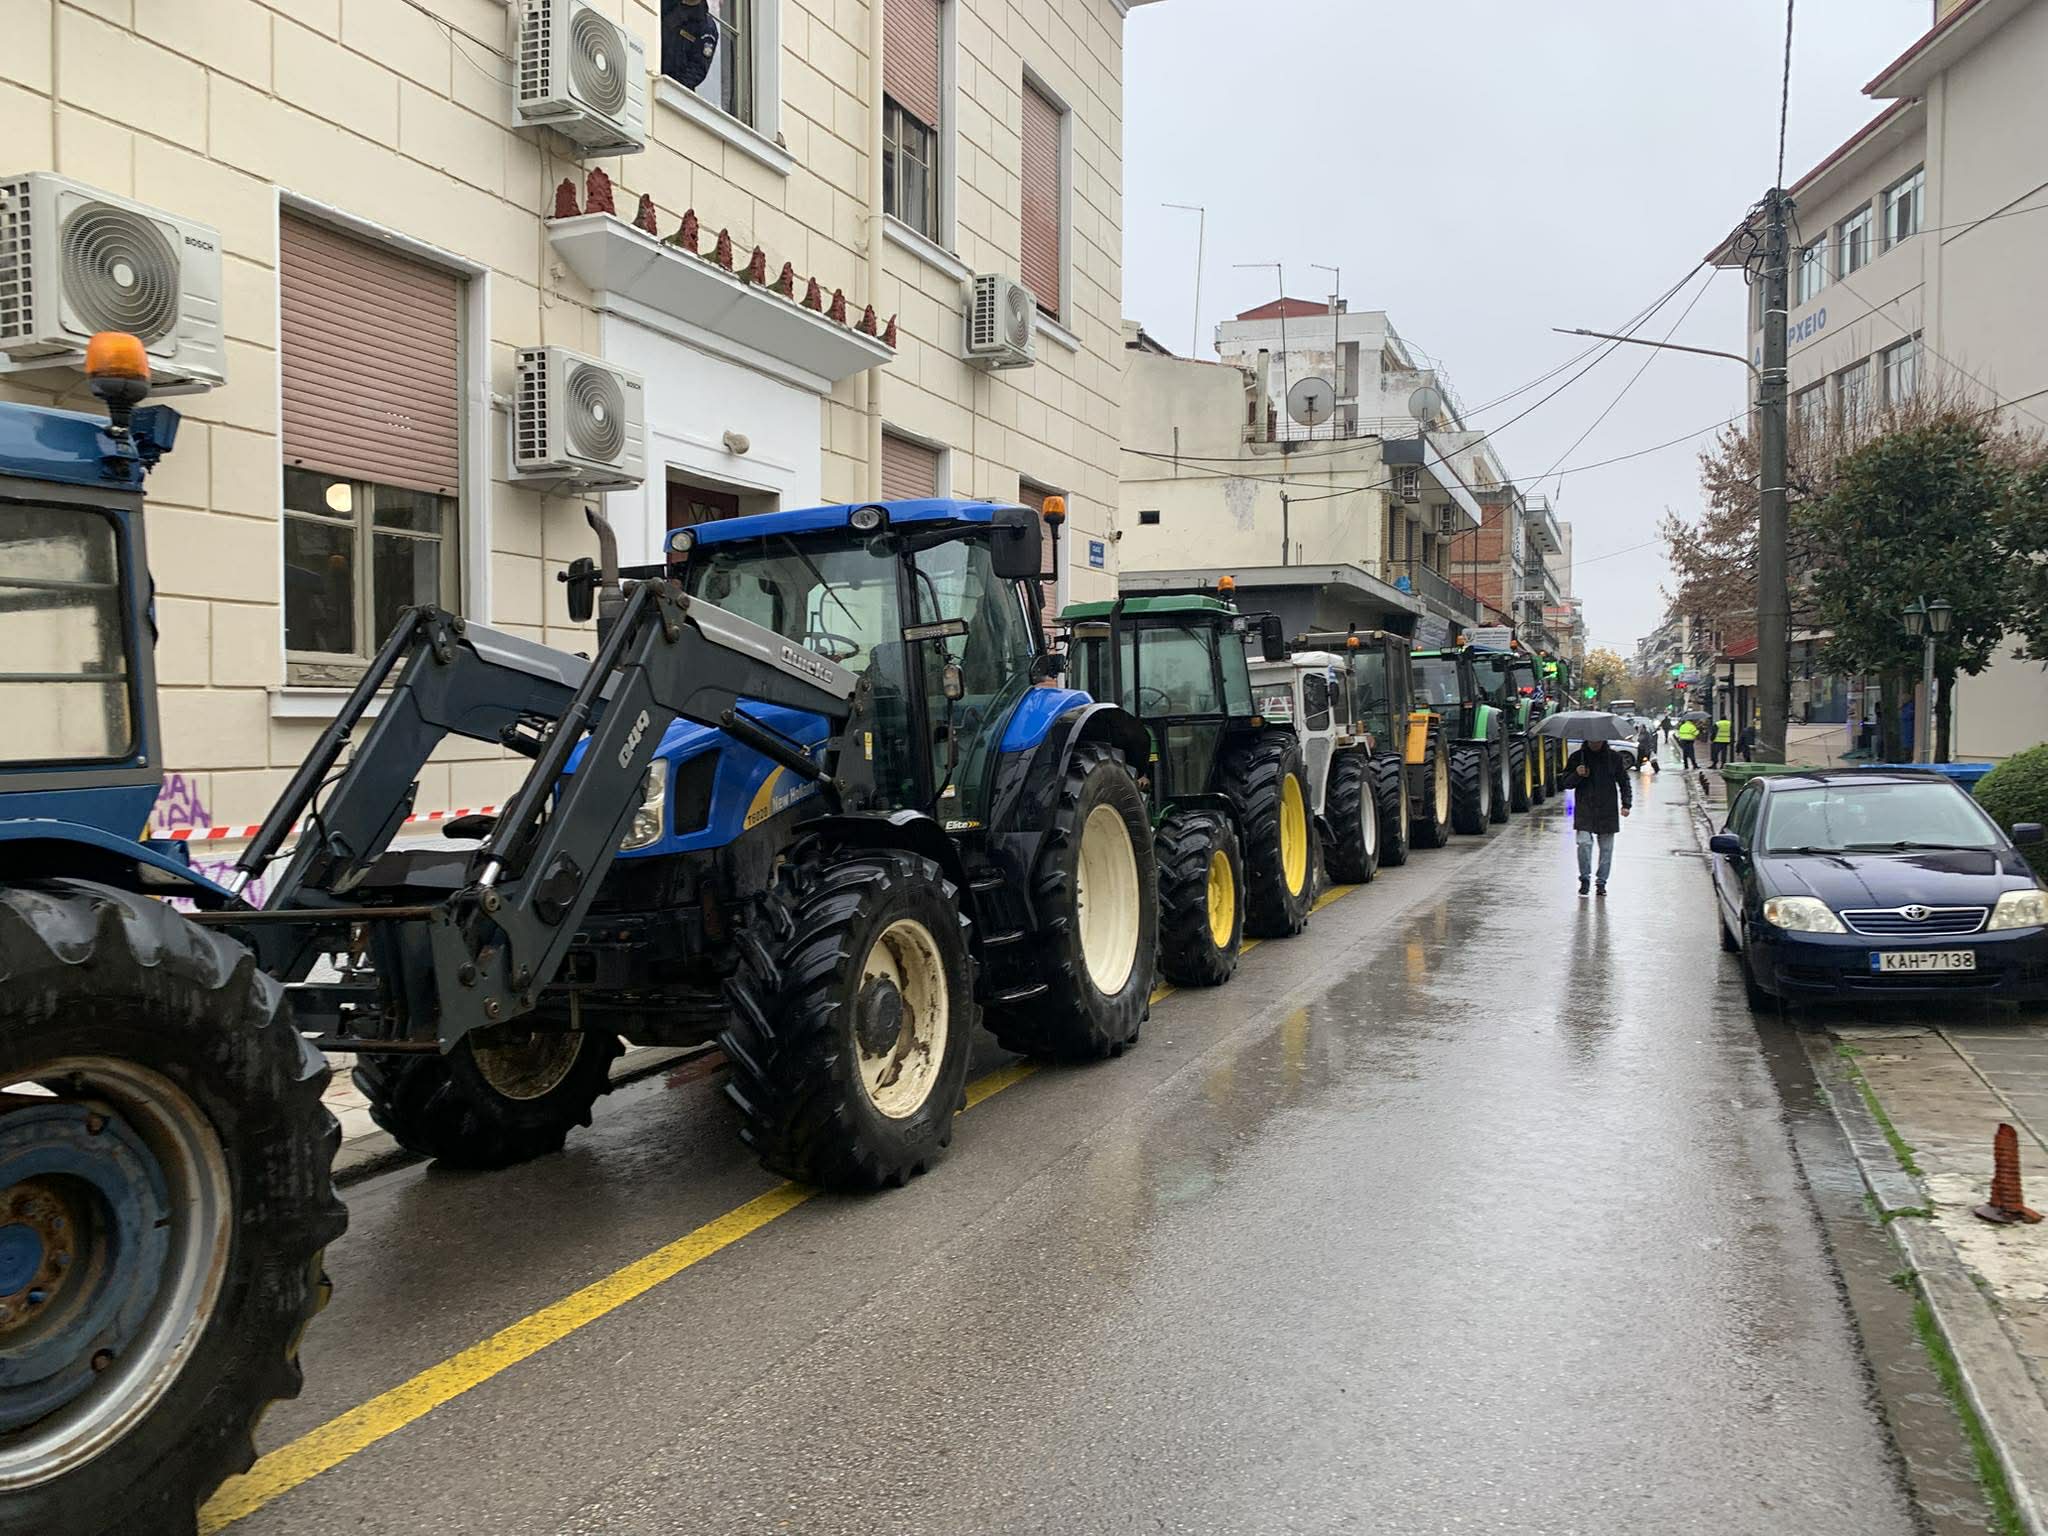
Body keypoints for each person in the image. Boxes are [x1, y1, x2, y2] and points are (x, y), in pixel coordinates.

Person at [1566, 736, 1633, 897]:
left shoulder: (1613, 758)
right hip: (1585, 808)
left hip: (1607, 809)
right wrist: (1577, 774)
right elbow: (1566, 783)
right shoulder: (1577, 758)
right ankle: (1584, 878)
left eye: (1598, 740)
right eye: (1592, 740)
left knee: (1606, 850)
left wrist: (1626, 804)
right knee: (1583, 844)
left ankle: (1601, 882)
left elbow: (1624, 782)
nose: (1595, 743)